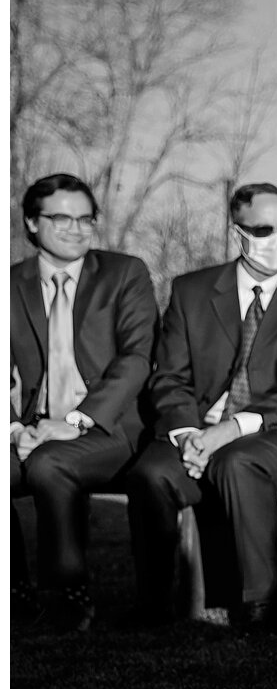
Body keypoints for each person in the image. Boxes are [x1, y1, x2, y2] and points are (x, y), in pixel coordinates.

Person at [124, 182, 277, 633]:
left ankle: (263, 603)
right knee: (150, 473)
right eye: (263, 229)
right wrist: (186, 435)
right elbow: (170, 376)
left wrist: (233, 429)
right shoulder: (192, 291)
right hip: (197, 426)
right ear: (236, 231)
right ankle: (154, 604)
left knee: (239, 461)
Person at [10, 174, 158, 632]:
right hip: (37, 427)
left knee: (51, 464)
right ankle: (15, 594)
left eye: (85, 219)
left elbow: (138, 359)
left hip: (113, 429)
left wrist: (75, 421)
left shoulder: (123, 273)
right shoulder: (9, 284)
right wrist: (16, 429)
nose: (76, 228)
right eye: (61, 218)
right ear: (33, 223)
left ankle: (68, 596)